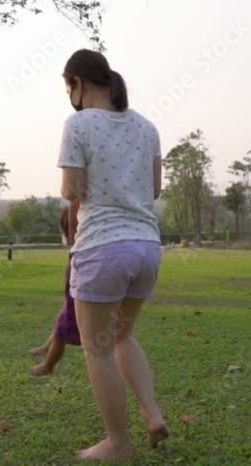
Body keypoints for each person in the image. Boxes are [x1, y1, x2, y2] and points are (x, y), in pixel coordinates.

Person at [57, 49, 168, 461]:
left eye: (68, 88)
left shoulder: (78, 123)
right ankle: (153, 415)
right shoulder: (147, 126)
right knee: (123, 335)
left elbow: (73, 190)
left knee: (98, 349)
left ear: (77, 83)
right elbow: (154, 189)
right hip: (147, 247)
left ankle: (118, 443)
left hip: (103, 246)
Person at [28, 202, 81, 376]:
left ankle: (48, 365)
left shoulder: (79, 242)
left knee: (64, 325)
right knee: (64, 315)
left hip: (79, 277)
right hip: (77, 277)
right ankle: (46, 348)